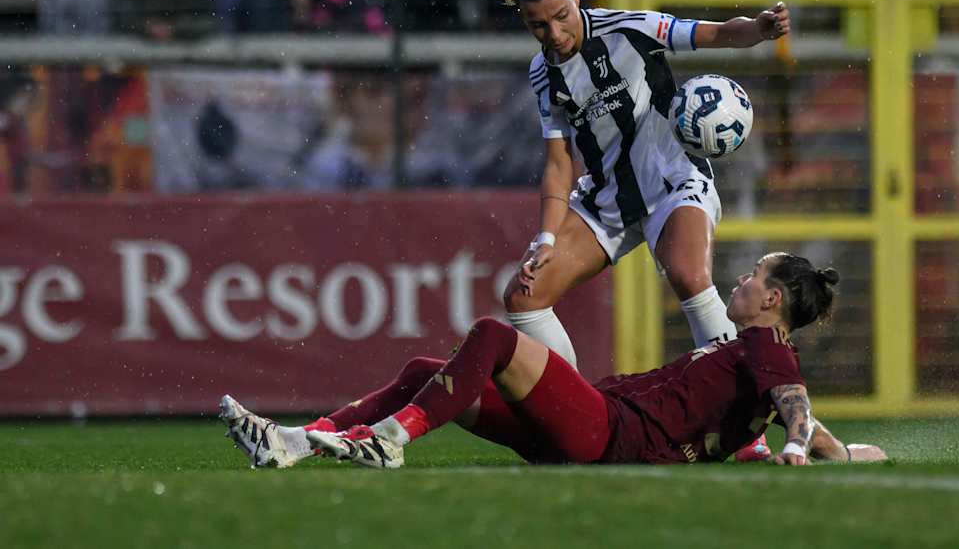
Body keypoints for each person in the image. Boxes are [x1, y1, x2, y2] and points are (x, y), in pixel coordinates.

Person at [496, 0, 789, 460]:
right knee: (523, 296)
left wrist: (760, 30)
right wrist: (546, 238)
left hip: (673, 181)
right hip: (606, 201)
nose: (556, 35)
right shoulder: (543, 74)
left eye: (562, 17)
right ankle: (573, 415)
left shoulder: (629, 28)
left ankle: (746, 432)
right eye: (538, 25)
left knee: (688, 274)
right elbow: (559, 161)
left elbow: (714, 34)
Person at [218, 253, 888, 468]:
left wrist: (797, 443)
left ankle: (389, 441)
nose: (738, 281)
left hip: (610, 434)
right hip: (599, 435)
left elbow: (795, 410)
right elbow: (799, 421)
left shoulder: (767, 348)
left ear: (771, 299)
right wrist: (854, 456)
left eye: (751, 277)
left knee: (494, 334)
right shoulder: (753, 355)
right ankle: (297, 443)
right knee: (429, 370)